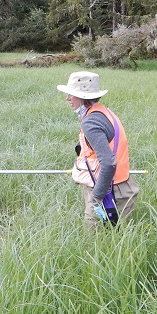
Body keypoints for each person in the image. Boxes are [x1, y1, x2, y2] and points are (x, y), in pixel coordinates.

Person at [57, 71, 140, 229]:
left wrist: (96, 198)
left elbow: (108, 162)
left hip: (110, 191)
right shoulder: (103, 112)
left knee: (96, 241)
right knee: (114, 239)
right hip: (121, 186)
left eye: (71, 94)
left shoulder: (91, 122)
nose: (67, 98)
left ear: (82, 97)